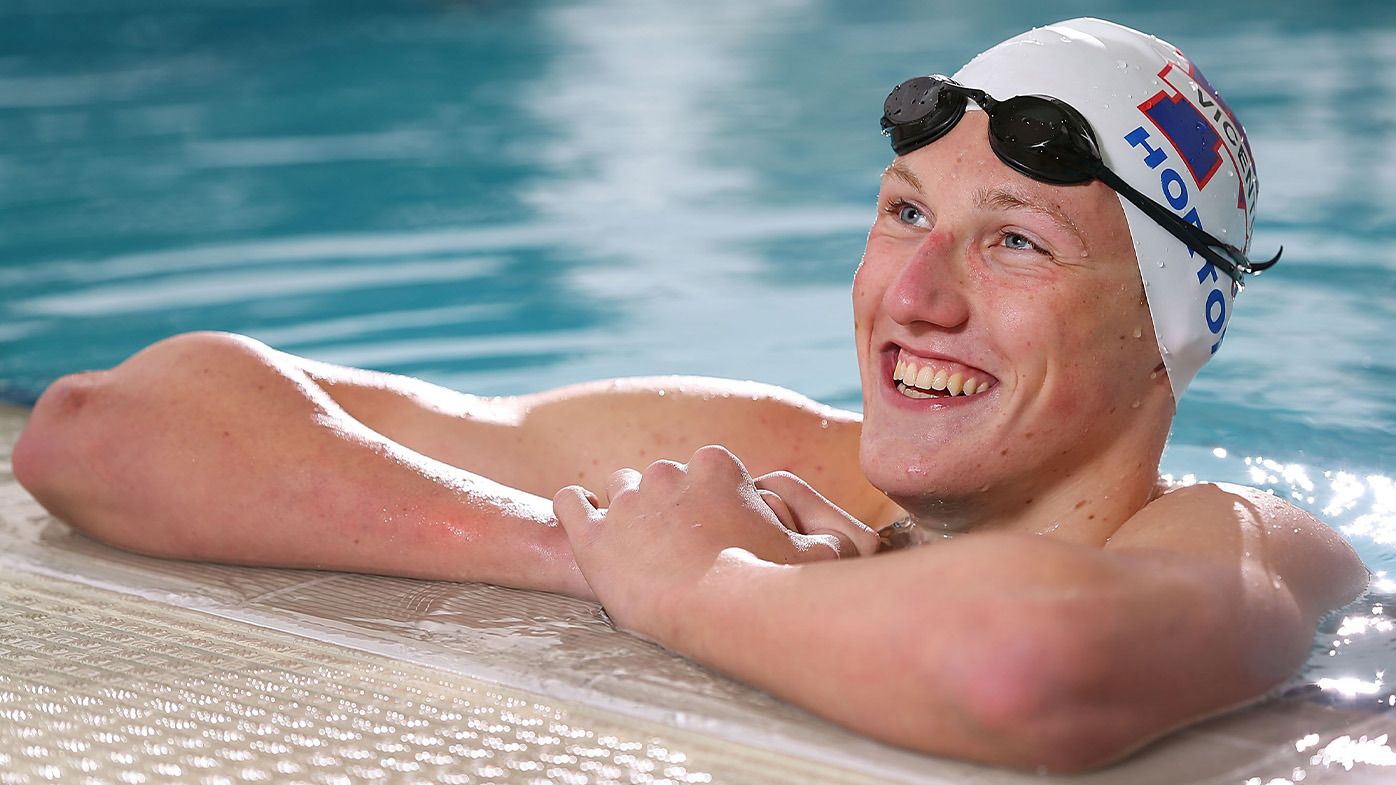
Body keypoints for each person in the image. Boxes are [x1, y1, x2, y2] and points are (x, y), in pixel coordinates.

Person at [10, 18, 1368, 772]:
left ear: (1164, 336)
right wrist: (578, 544)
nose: (916, 295)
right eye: (905, 212)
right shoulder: (783, 457)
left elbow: (1021, 664)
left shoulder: (1251, 548)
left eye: (1013, 240)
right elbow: (101, 429)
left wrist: (696, 586)